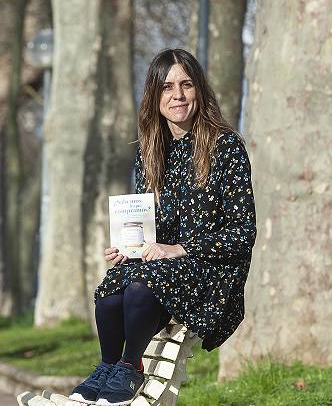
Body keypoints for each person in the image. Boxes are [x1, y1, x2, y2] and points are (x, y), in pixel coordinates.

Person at [69, 48, 256, 406]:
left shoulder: (226, 146)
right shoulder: (149, 151)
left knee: (140, 287)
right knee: (110, 290)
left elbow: (242, 233)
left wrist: (180, 249)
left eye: (186, 85)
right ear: (154, 97)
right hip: (164, 265)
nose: (178, 96)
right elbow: (146, 226)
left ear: (199, 90)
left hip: (212, 269)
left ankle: (130, 366)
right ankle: (108, 367)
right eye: (167, 87)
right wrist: (129, 249)